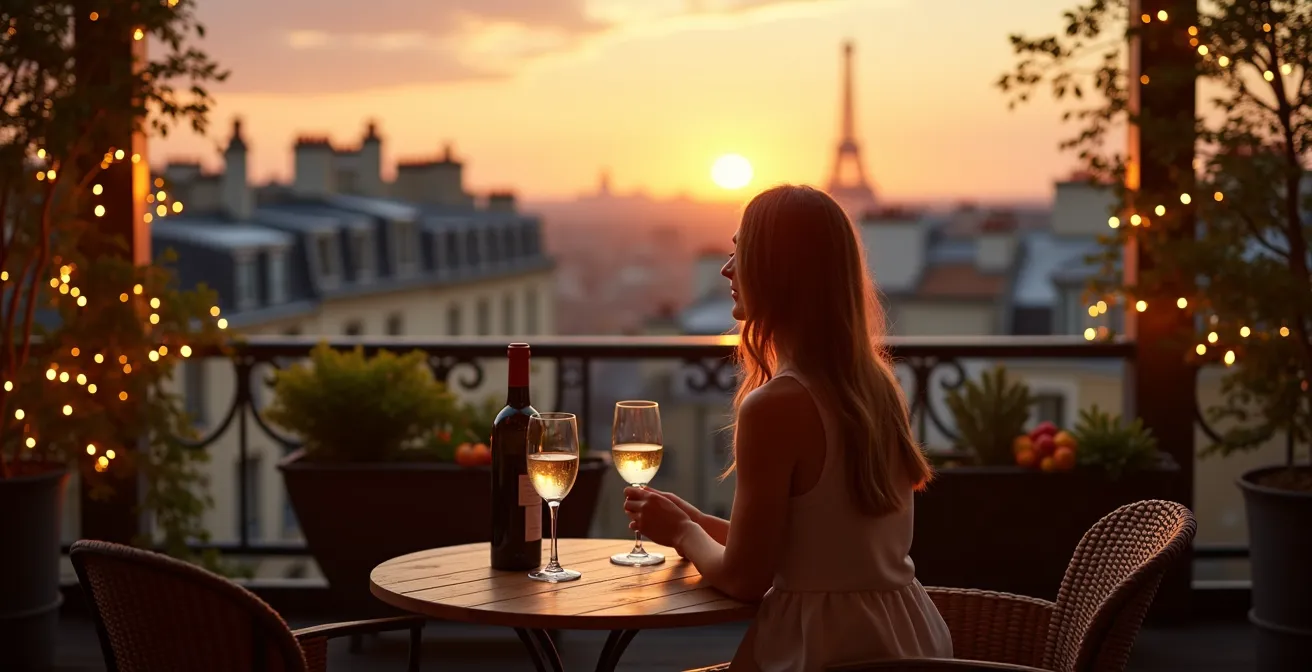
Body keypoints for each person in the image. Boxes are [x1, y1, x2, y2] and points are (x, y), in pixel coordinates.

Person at [623, 185, 953, 671]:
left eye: (741, 252)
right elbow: (809, 546)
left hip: (822, 649)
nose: (726, 269)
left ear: (780, 271)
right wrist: (693, 519)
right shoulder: (876, 386)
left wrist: (683, 532)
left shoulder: (776, 405)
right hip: (906, 641)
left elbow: (745, 580)